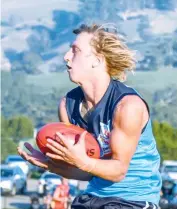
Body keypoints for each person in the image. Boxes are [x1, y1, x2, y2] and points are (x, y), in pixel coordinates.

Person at [18, 23, 162, 208]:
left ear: (97, 60)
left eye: (75, 50)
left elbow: (118, 171)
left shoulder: (127, 106)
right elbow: (85, 172)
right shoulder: (67, 105)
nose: (66, 57)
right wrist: (52, 165)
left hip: (132, 200)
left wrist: (82, 161)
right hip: (93, 197)